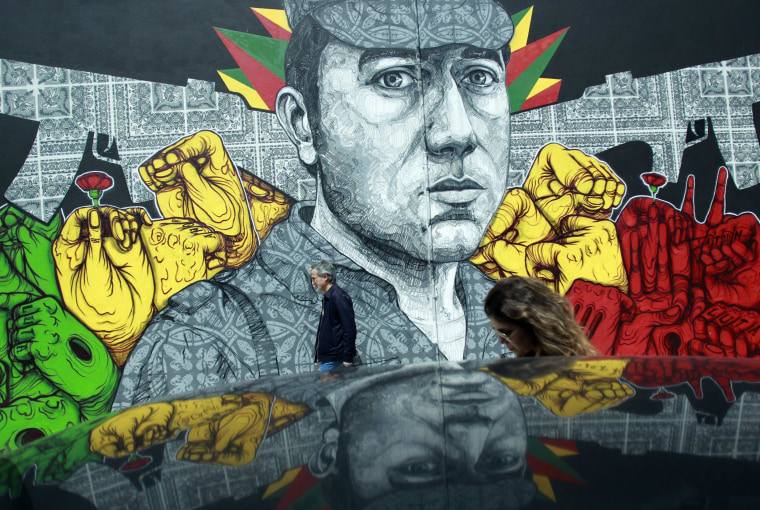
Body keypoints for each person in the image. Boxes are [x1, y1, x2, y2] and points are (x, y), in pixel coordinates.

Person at [112, 0, 623, 409]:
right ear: (303, 123)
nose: (457, 132)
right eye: (395, 78)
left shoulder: (516, 315)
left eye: (478, 77)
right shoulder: (210, 344)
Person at [484, 276, 598, 357]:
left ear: (536, 325)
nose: (501, 341)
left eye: (507, 333)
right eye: (498, 332)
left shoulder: (574, 374)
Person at [310, 260, 357, 371]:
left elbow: (349, 329)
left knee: (327, 387)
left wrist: (347, 357)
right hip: (329, 358)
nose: (312, 282)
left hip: (336, 359)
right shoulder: (328, 297)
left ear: (325, 276)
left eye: (314, 278)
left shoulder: (339, 297)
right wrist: (318, 355)